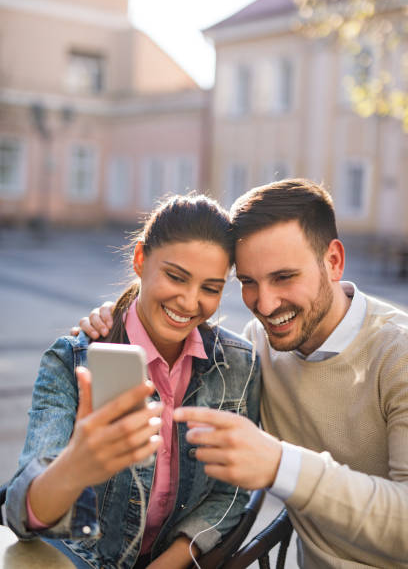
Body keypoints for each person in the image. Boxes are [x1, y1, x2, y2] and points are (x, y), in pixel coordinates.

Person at [84, 179, 408, 568]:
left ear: (334, 261)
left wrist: (280, 464)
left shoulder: (397, 355)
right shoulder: (260, 348)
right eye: (248, 283)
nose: (266, 304)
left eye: (284, 277)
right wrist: (120, 316)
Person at [6, 194, 260, 569]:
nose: (190, 302)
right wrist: (75, 464)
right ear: (141, 259)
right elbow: (22, 516)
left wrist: (168, 564)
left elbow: (231, 492)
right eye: (175, 276)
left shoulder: (238, 365)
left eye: (211, 288)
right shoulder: (72, 360)